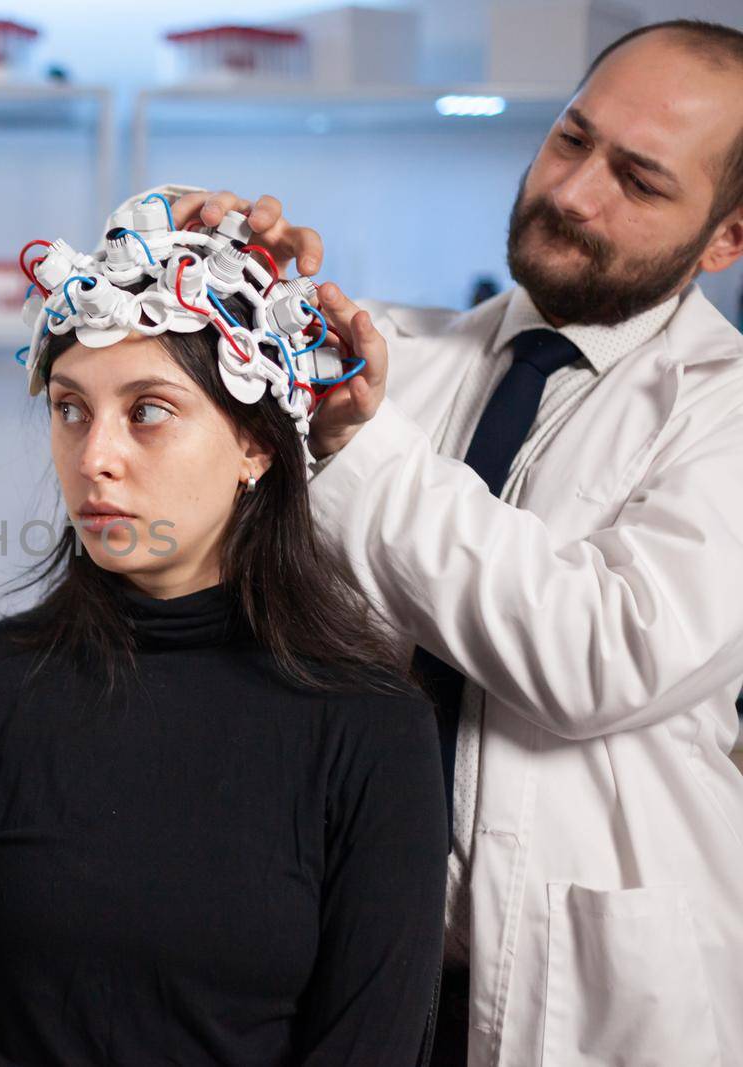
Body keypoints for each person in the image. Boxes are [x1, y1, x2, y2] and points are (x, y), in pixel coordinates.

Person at [172, 16, 743, 1066]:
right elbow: (149, 394)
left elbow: (597, 652)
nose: (573, 191)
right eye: (571, 139)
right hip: (350, 979)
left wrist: (358, 444)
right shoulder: (406, 359)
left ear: (726, 238)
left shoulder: (725, 414)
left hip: (586, 1004)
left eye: (640, 179)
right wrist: (193, 253)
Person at [0, 192, 447, 1065]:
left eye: (148, 410)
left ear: (255, 444)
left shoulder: (372, 728)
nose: (94, 454)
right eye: (70, 408)